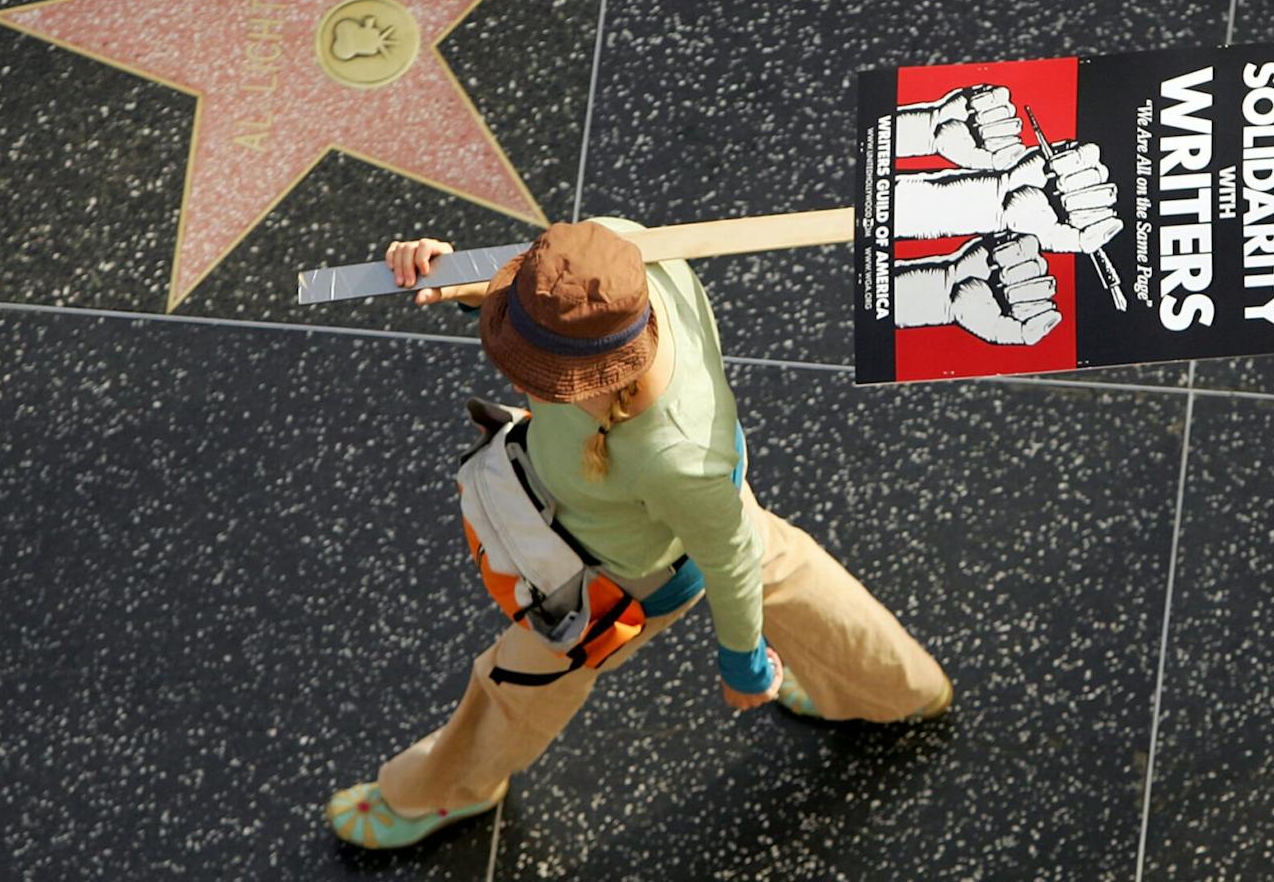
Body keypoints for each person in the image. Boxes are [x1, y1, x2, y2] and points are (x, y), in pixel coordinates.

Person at [326, 219, 953, 850]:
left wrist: (744, 666)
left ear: (598, 378)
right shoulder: (620, 257)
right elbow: (556, 293)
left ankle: (442, 790)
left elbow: (728, 561)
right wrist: (462, 282)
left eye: (540, 375)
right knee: (784, 566)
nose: (518, 384)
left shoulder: (672, 460)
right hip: (704, 497)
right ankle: (897, 689)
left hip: (625, 575)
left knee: (518, 683)